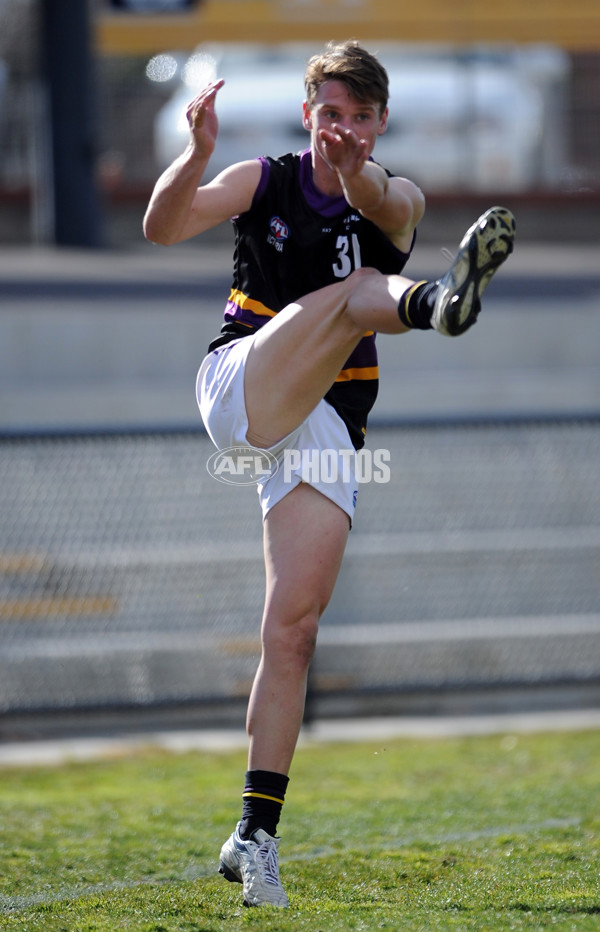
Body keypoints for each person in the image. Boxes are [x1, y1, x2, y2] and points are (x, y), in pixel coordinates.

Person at [144, 40, 515, 908]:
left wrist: (358, 176)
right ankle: (435, 304)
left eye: (359, 117)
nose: (342, 129)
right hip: (242, 387)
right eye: (329, 113)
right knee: (359, 299)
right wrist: (195, 153)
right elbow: (161, 228)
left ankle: (254, 834)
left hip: (325, 423)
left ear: (379, 122)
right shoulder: (261, 178)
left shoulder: (395, 195)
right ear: (308, 112)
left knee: (294, 631)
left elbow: (383, 200)